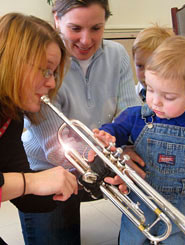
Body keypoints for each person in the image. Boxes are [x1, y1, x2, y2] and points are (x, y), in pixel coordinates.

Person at [19, 1, 141, 244]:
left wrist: (126, 151)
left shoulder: (117, 54)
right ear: (56, 20)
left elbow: (131, 113)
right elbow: (55, 148)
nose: (86, 40)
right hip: (48, 169)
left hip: (104, 160)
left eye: (96, 28)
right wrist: (114, 159)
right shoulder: (43, 62)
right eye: (75, 28)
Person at [93, 35, 185, 244]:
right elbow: (116, 128)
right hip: (139, 202)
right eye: (150, 89)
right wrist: (107, 134)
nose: (155, 102)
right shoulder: (137, 116)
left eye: (168, 97)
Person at [0, 12, 79, 244]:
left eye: (53, 73)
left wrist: (72, 182)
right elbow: (24, 183)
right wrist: (31, 182)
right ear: (11, 62)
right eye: (45, 70)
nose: (52, 83)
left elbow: (25, 197)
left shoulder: (11, 118)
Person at [133, 24, 174, 103]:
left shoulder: (175, 97)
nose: (146, 74)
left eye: (153, 67)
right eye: (140, 66)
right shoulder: (132, 95)